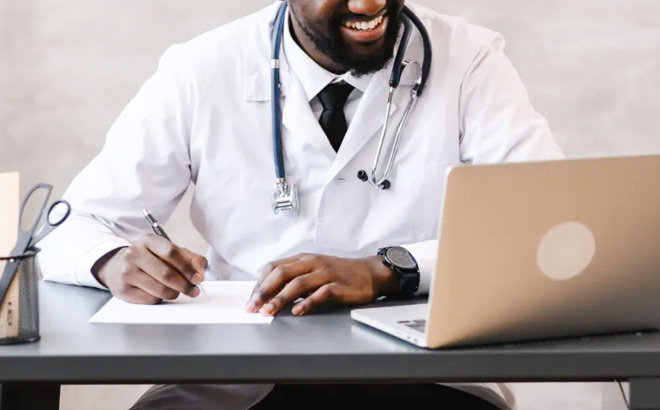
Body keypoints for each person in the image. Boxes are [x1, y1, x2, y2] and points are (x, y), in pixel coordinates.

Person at [39, 0, 563, 409]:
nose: (368, 5)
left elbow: (545, 225)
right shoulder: (202, 68)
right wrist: (111, 261)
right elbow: (69, 227)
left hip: (425, 374)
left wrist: (390, 271)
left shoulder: (469, 60)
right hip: (236, 380)